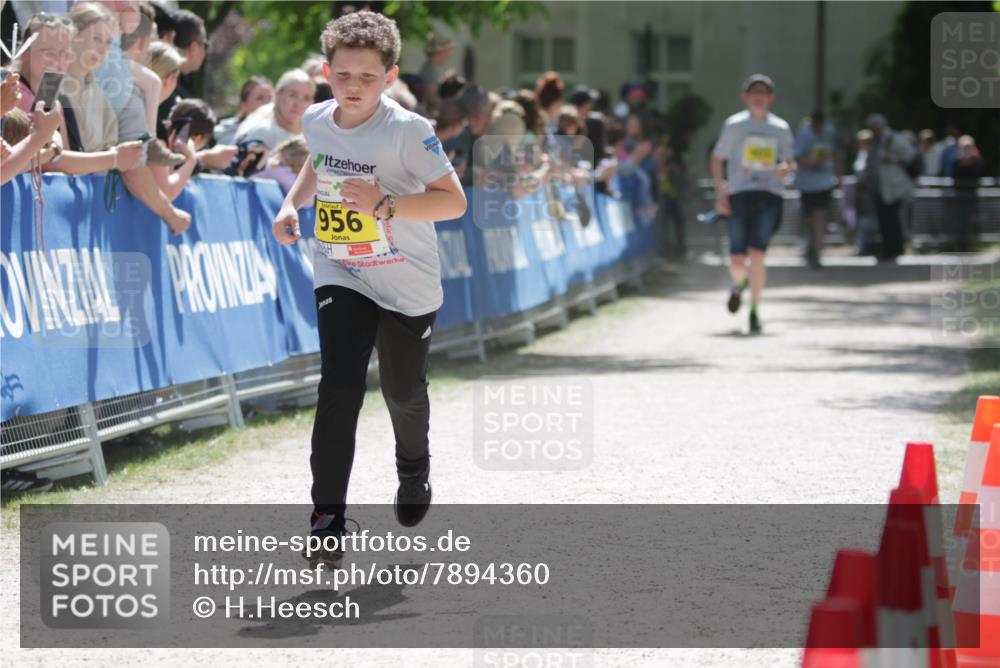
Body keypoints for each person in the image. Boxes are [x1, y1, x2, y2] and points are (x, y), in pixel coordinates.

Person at [271, 10, 466, 567]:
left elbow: (453, 201)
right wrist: (292, 203)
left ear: (391, 76)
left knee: (403, 393)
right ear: (326, 73)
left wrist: (386, 204)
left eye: (368, 78)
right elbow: (320, 158)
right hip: (342, 268)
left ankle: (414, 468)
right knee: (339, 387)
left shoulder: (409, 130)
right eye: (342, 76)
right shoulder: (316, 119)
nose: (353, 88)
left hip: (406, 280)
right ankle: (327, 517)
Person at [710, 74, 795, 334]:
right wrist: (721, 193)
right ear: (745, 97)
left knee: (757, 253)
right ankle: (740, 284)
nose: (758, 96)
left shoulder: (780, 128)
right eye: (753, 92)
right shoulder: (734, 125)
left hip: (769, 195)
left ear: (771, 98)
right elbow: (717, 159)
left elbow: (791, 163)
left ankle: (755, 311)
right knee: (737, 259)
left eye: (764, 92)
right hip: (738, 194)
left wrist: (785, 169)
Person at [863, 113, 916, 262]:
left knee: (893, 219)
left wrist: (893, 158)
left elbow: (910, 155)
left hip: (893, 187)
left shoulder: (894, 139)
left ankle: (895, 249)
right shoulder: (875, 142)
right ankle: (887, 248)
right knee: (884, 219)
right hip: (879, 188)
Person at [794, 109, 838, 268]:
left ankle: (817, 252)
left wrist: (836, 174)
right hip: (807, 183)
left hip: (824, 182)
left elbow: (834, 153)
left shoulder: (829, 132)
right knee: (809, 219)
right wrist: (812, 162)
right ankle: (811, 246)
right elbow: (796, 158)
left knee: (820, 216)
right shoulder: (803, 134)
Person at [234, 68, 314, 150]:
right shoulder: (259, 133)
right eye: (292, 95)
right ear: (278, 94)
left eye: (306, 98)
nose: (299, 104)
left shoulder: (314, 132)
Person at [214, 76, 273, 145]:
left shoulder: (282, 133)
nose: (267, 103)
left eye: (270, 98)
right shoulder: (223, 133)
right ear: (244, 104)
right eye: (259, 98)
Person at [951, 135, 984, 252]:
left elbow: (977, 174)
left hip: (972, 195)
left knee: (973, 220)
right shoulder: (956, 160)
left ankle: (972, 244)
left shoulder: (977, 160)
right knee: (960, 221)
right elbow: (955, 175)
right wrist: (962, 162)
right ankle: (961, 245)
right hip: (960, 195)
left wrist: (971, 162)